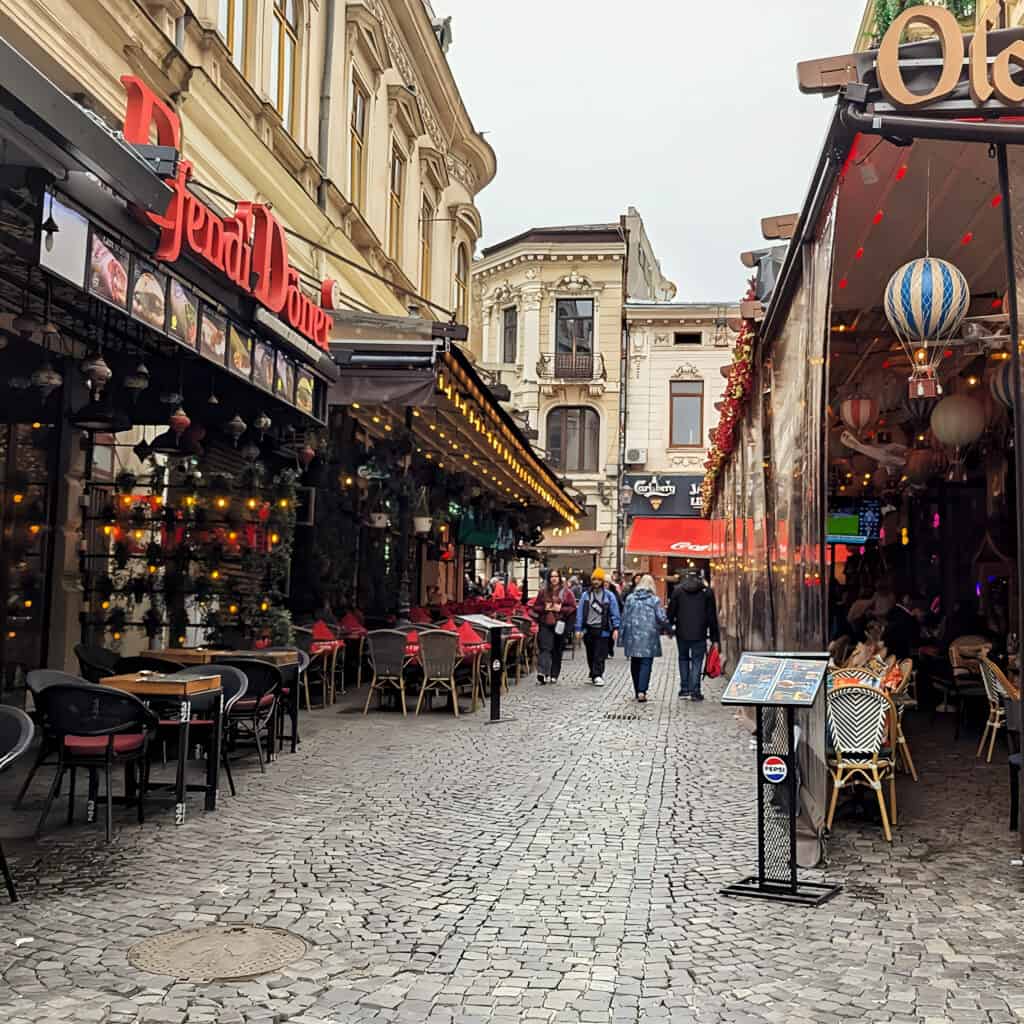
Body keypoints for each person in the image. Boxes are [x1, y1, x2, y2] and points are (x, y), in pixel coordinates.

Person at [667, 570, 720, 701]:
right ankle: (695, 691)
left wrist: (669, 628)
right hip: (700, 633)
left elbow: (671, 611)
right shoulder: (706, 592)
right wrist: (715, 637)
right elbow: (711, 616)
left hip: (682, 632)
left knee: (683, 659)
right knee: (697, 661)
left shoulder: (678, 591)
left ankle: (685, 689)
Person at [620, 574, 668, 703]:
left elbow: (624, 618)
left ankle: (637, 690)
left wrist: (621, 637)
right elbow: (661, 617)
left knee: (635, 662)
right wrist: (668, 628)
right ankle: (642, 691)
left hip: (632, 636)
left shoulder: (630, 598)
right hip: (649, 636)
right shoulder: (654, 600)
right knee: (646, 663)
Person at [575, 568, 621, 687]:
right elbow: (580, 612)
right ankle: (593, 673)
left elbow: (614, 612)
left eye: (598, 579)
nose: (596, 582)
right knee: (590, 653)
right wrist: (578, 628)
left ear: (602, 581)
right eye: (594, 579)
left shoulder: (609, 596)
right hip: (588, 628)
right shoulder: (586, 595)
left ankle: (598, 674)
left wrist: (616, 628)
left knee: (600, 654)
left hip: (603, 629)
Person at [530, 569, 576, 685]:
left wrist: (560, 609)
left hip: (560, 623)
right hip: (546, 622)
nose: (554, 579)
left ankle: (554, 674)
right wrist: (545, 607)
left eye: (556, 576)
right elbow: (536, 607)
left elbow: (572, 608)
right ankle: (542, 672)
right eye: (551, 576)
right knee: (545, 648)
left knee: (557, 649)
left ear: (559, 578)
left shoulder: (567, 593)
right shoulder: (543, 592)